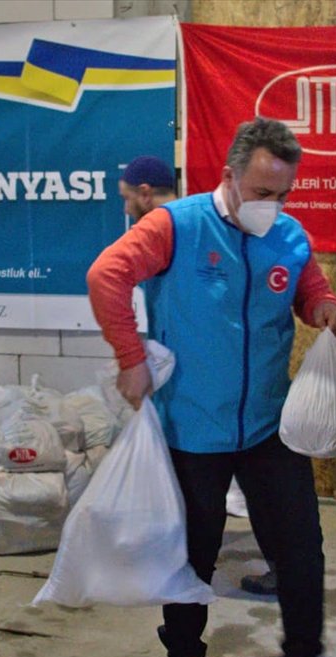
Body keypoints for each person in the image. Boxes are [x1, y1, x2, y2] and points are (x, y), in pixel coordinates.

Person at [87, 117, 336, 657]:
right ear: (230, 176)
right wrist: (131, 360)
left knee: (300, 549)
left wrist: (325, 308)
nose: (274, 205)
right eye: (263, 192)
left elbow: (310, 286)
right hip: (193, 425)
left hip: (268, 423)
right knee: (193, 552)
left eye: (285, 193)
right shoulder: (176, 227)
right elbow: (107, 276)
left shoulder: (287, 235)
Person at [121, 155, 279, 597]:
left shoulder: (178, 227)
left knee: (204, 515)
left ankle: (186, 597)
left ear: (146, 192)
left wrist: (130, 360)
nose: (128, 206)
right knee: (238, 502)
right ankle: (187, 636)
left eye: (129, 197)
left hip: (202, 405)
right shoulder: (180, 228)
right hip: (226, 403)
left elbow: (105, 275)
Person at [118, 155, 177, 222]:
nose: (126, 210)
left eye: (127, 198)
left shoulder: (147, 231)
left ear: (145, 194)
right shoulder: (189, 223)